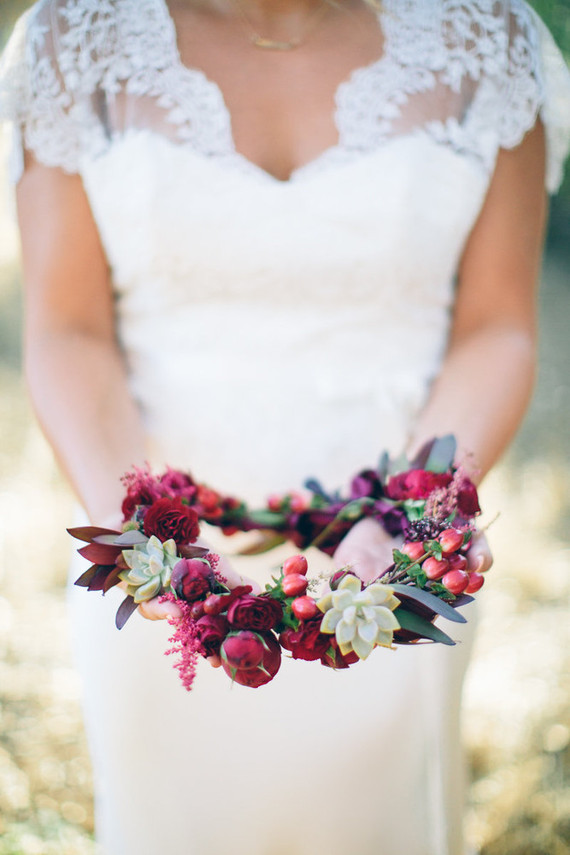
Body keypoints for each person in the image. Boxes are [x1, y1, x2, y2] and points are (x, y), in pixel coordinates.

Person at [1, 0, 569, 853]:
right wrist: (145, 541)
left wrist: (418, 514)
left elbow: (497, 325)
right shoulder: (72, 38)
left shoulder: (491, 36)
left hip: (389, 582)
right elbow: (67, 329)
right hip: (161, 582)